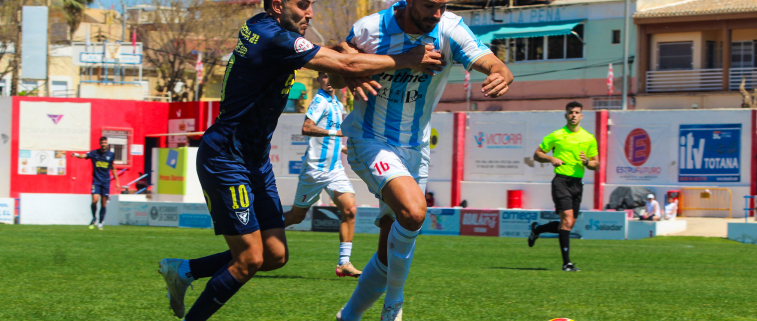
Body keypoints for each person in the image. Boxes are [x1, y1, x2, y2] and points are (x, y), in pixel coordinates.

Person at [155, 0, 446, 319]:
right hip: (226, 158)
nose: (310, 12)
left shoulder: (270, 30)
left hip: (255, 161)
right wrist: (404, 59)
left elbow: (333, 56)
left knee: (275, 255)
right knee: (249, 260)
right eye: (303, 4)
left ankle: (184, 271)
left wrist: (347, 63)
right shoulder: (272, 37)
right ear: (278, 5)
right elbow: (339, 62)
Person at [332, 1, 513, 320]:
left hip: (416, 148)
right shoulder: (371, 29)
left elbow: (489, 61)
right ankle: (395, 304)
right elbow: (336, 69)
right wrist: (348, 75)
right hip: (371, 139)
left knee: (389, 251)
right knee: (414, 212)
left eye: (443, 6)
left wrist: (501, 71)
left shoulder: (449, 29)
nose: (437, 14)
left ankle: (348, 317)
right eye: (430, 5)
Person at [283, 71, 362, 278]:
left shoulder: (337, 103)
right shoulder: (320, 101)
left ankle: (344, 263)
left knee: (350, 210)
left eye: (332, 76)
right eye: (324, 76)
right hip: (314, 172)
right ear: (318, 79)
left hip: (335, 170)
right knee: (296, 217)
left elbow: (333, 136)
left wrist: (343, 148)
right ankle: (262, 231)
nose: (328, 81)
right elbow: (307, 127)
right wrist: (334, 134)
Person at [528, 101, 598, 272]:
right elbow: (537, 154)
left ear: (581, 116)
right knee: (566, 220)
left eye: (577, 112)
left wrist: (587, 161)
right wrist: (551, 159)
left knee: (568, 224)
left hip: (577, 184)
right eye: (570, 112)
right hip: (561, 181)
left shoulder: (588, 138)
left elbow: (596, 164)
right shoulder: (556, 135)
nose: (573, 115)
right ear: (566, 115)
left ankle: (538, 229)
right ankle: (567, 263)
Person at [71, 136, 119, 230]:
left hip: (106, 182)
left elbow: (113, 167)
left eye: (105, 142)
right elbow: (83, 156)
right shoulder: (94, 153)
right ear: (100, 143)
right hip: (96, 181)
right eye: (102, 143)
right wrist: (76, 154)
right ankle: (94, 218)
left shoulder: (111, 155)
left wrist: (117, 182)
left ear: (107, 143)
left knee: (103, 203)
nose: (103, 144)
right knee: (94, 200)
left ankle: (101, 222)